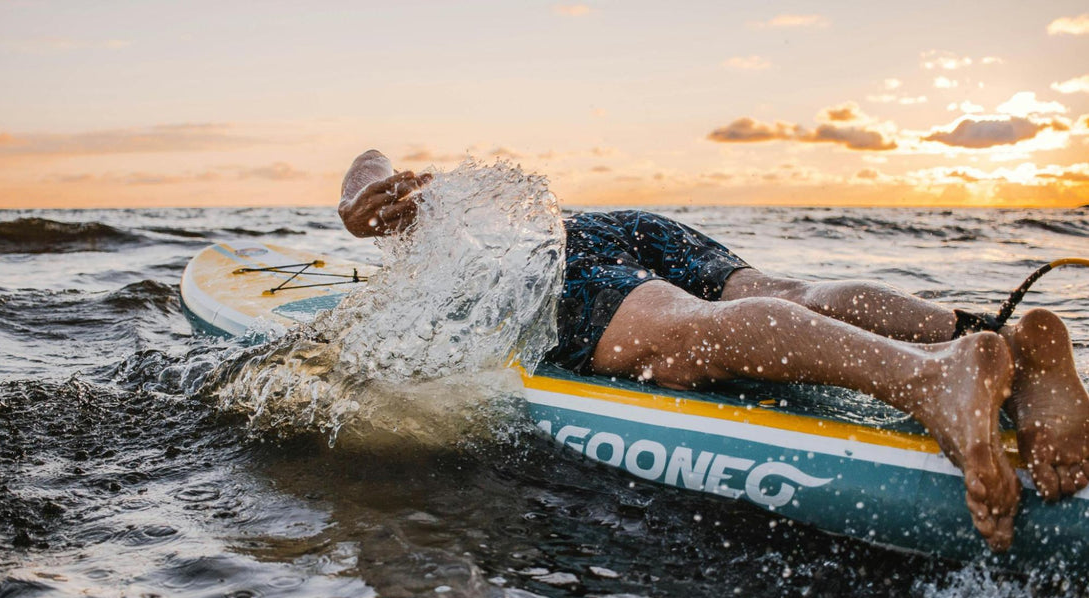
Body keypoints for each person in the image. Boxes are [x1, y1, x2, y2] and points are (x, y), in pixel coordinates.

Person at [337, 150, 1089, 552]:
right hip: (634, 227)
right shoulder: (448, 211)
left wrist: (358, 199)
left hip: (559, 261)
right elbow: (372, 161)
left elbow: (368, 160)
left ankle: (934, 378)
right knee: (793, 294)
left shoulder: (427, 229)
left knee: (682, 339)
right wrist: (365, 194)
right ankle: (993, 334)